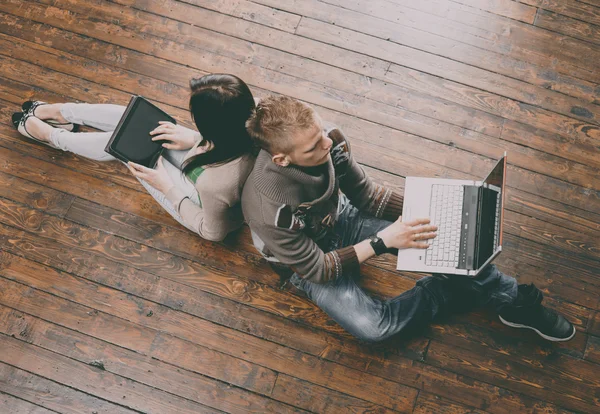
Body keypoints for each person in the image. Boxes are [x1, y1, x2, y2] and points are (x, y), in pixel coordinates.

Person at [241, 95, 575, 343]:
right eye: (315, 146)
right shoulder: (267, 208)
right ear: (282, 159)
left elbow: (368, 197)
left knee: (449, 240)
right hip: (309, 264)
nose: (328, 143)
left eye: (322, 132)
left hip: (343, 220)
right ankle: (447, 294)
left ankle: (513, 301)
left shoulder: (329, 141)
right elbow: (317, 269)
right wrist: (381, 242)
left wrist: (432, 211)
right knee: (374, 330)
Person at [12, 74, 257, 241]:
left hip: (200, 199)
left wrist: (166, 187)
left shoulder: (218, 183)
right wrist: (194, 138)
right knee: (140, 122)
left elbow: (213, 232)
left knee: (128, 147)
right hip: (213, 158)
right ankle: (63, 112)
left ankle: (55, 138)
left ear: (214, 127)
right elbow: (232, 138)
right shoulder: (256, 114)